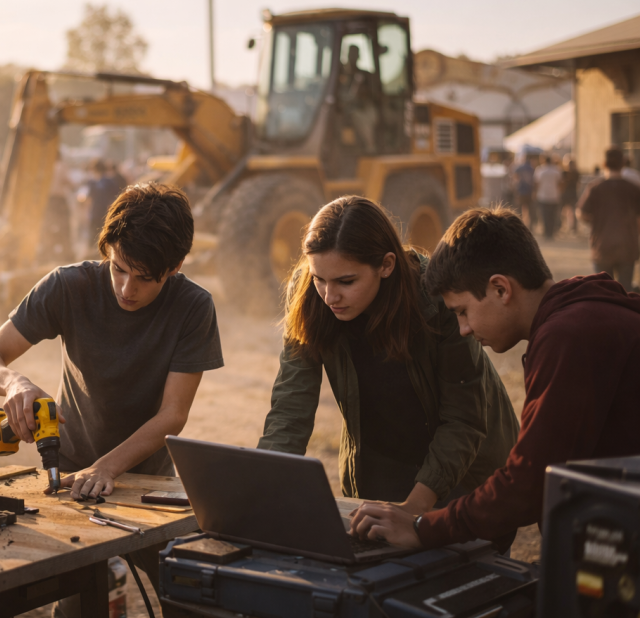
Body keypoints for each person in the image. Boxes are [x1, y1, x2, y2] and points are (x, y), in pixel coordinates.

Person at [0, 182, 223, 618]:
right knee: (77, 615)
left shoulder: (193, 306)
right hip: (69, 477)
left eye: (145, 277)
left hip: (151, 483)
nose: (127, 288)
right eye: (119, 269)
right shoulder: (69, 285)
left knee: (189, 602)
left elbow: (173, 415)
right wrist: (14, 383)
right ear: (106, 248)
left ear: (176, 266)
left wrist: (107, 467)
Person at [348, 206, 640, 549]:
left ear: (501, 289)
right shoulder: (583, 314)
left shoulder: (569, 336)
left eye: (462, 311)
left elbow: (530, 484)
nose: (463, 329)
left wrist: (423, 527)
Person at [258, 197, 517, 531]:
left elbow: (464, 419)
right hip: (381, 465)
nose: (329, 296)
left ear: (386, 265)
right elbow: (290, 406)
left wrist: (414, 509)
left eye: (346, 281)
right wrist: (263, 483)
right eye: (319, 278)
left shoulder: (436, 296)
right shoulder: (310, 293)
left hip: (467, 468)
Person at [578, 146, 640, 291]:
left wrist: (595, 222)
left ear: (604, 164)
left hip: (602, 246)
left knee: (604, 292)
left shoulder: (595, 188)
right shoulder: (633, 189)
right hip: (627, 246)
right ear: (623, 164)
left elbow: (581, 213)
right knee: (626, 292)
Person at [338, 44, 378, 154]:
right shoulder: (341, 73)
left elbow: (369, 93)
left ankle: (371, 147)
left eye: (355, 54)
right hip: (347, 108)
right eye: (352, 54)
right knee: (359, 116)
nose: (353, 57)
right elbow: (345, 97)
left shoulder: (364, 74)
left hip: (361, 106)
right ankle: (370, 146)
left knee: (371, 114)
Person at [533, 154, 562, 240]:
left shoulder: (540, 170)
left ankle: (546, 232)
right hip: (554, 196)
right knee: (553, 215)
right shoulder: (557, 170)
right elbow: (560, 183)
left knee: (544, 215)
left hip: (543, 196)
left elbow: (536, 183)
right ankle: (551, 232)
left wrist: (535, 193)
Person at [511, 155, 537, 229]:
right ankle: (530, 226)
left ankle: (520, 225)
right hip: (529, 192)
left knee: (519, 210)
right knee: (530, 210)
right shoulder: (532, 168)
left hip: (520, 191)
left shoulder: (519, 168)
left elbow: (515, 179)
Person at [560, 154, 580, 234]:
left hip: (569, 194)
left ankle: (571, 228)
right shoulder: (573, 173)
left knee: (570, 212)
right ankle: (567, 227)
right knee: (565, 212)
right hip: (568, 194)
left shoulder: (570, 173)